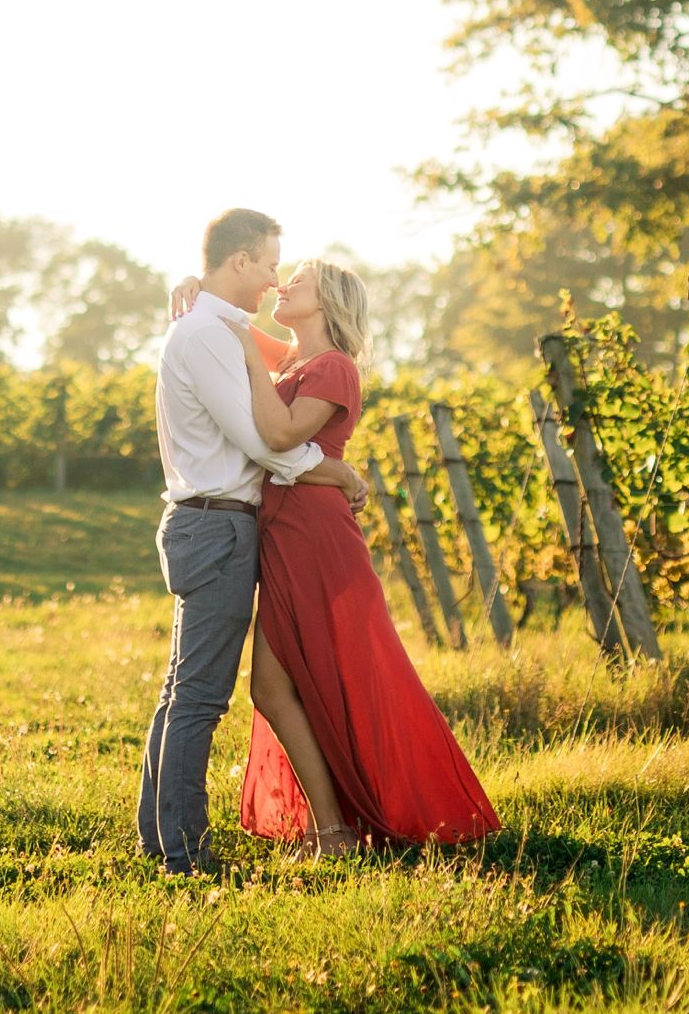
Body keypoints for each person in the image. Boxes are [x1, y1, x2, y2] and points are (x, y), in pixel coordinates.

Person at [208, 260, 500, 853]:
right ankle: (332, 826)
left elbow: (282, 435)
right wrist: (194, 290)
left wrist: (243, 346)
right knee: (273, 688)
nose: (283, 285)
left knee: (340, 683)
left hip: (320, 546)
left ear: (328, 301)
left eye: (298, 282)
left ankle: (340, 828)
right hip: (285, 542)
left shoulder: (333, 368)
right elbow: (222, 319)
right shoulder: (289, 359)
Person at [135, 208, 370, 876]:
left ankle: (162, 839)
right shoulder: (210, 335)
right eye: (268, 262)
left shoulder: (215, 327)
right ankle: (180, 852)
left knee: (186, 690)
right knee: (200, 697)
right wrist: (339, 472)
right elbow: (264, 442)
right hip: (214, 524)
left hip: (214, 522)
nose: (272, 279)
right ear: (238, 261)